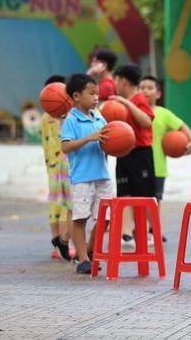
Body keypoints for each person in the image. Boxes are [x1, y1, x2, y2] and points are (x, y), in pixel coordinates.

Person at [61, 73, 113, 274]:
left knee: (105, 217)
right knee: (80, 219)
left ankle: (91, 250)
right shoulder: (71, 120)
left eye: (97, 93)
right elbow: (66, 147)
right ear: (76, 96)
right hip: (82, 177)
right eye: (91, 93)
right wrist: (90, 138)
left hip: (103, 175)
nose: (96, 97)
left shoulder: (99, 116)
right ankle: (82, 259)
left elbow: (108, 140)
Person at [139, 75, 191, 242]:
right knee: (139, 200)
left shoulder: (164, 113)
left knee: (155, 200)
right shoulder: (135, 111)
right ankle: (138, 230)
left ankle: (154, 229)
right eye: (142, 87)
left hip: (158, 166)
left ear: (158, 93)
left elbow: (182, 126)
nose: (145, 90)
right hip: (139, 163)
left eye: (149, 88)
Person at [111, 64, 155, 247]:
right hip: (123, 152)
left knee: (144, 197)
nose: (115, 84)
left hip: (140, 153)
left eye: (116, 80)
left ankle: (152, 230)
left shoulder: (138, 98)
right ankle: (127, 234)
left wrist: (127, 104)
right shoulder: (117, 103)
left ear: (123, 81)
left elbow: (146, 121)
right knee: (125, 195)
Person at [40, 75, 72, 261]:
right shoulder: (58, 115)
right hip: (62, 166)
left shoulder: (49, 115)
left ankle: (58, 244)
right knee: (63, 204)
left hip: (55, 166)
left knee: (56, 204)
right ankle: (61, 243)